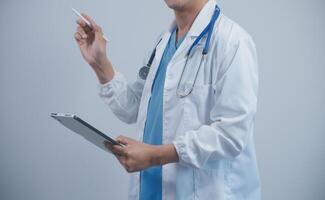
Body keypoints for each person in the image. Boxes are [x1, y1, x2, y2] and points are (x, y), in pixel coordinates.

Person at [74, 0, 260, 199]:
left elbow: (231, 134)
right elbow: (135, 108)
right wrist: (100, 64)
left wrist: (155, 156)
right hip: (151, 190)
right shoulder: (163, 43)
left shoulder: (232, 41)